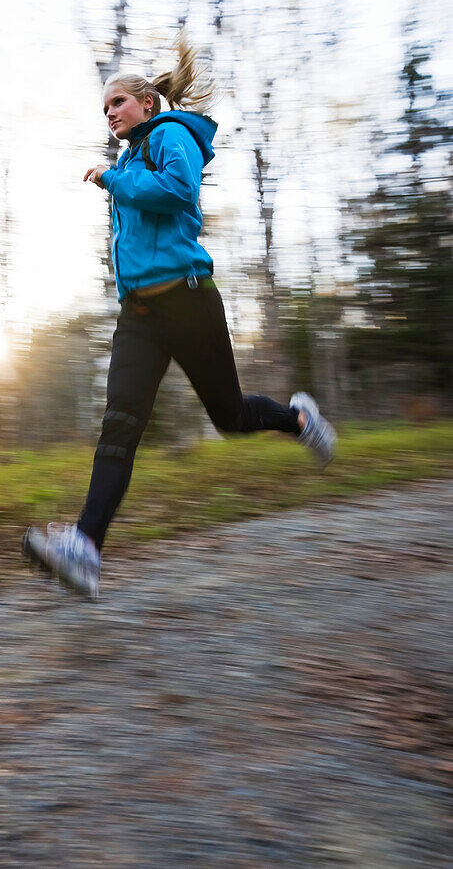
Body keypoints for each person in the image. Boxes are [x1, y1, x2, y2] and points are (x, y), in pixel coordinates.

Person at [22, 37, 336, 599]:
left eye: (117, 102)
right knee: (120, 423)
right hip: (140, 312)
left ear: (146, 102)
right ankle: (85, 549)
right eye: (105, 108)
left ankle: (299, 422)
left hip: (188, 301)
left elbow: (176, 191)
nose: (111, 113)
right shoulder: (128, 158)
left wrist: (113, 180)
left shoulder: (171, 137)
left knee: (231, 416)